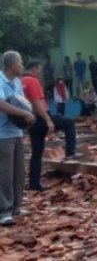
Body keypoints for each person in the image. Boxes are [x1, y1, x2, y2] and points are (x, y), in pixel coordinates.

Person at [22, 61, 78, 192]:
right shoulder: (32, 80)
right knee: (69, 123)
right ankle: (70, 153)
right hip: (41, 117)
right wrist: (48, 120)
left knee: (36, 153)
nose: (40, 73)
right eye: (39, 70)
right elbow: (36, 101)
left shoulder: (20, 81)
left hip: (31, 121)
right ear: (34, 68)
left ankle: (34, 184)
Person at [0, 51, 35, 226]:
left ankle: (16, 207)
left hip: (16, 132)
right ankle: (4, 211)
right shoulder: (0, 81)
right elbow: (1, 104)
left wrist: (28, 114)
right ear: (12, 65)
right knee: (5, 173)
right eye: (20, 62)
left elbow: (21, 101)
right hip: (2, 134)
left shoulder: (16, 82)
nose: (22, 65)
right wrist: (24, 113)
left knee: (19, 171)